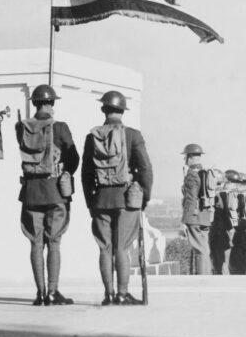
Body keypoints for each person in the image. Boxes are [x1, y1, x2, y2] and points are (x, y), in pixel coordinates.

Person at [82, 91, 152, 305]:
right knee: (122, 247)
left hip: (101, 198)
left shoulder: (92, 136)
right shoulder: (133, 135)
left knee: (105, 248)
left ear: (103, 109)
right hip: (126, 198)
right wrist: (145, 196)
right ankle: (122, 294)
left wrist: (90, 202)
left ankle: (109, 294)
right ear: (122, 111)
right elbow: (146, 169)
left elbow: (85, 173)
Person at [15, 84, 79, 306]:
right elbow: (74, 160)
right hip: (55, 193)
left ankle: (40, 293)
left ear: (34, 103)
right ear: (52, 103)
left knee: (35, 243)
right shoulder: (60, 127)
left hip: (31, 192)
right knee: (54, 242)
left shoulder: (20, 127)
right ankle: (52, 291)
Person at [180, 144, 213, 275]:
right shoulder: (204, 173)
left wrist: (184, 220)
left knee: (200, 250)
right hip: (204, 216)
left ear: (190, 157)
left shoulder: (192, 176)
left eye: (186, 157)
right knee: (205, 249)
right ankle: (207, 277)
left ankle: (202, 280)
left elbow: (191, 199)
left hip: (194, 217)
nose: (185, 160)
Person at [212, 169, 239, 275]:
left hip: (220, 231)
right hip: (224, 230)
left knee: (220, 260)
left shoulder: (221, 195)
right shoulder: (224, 194)